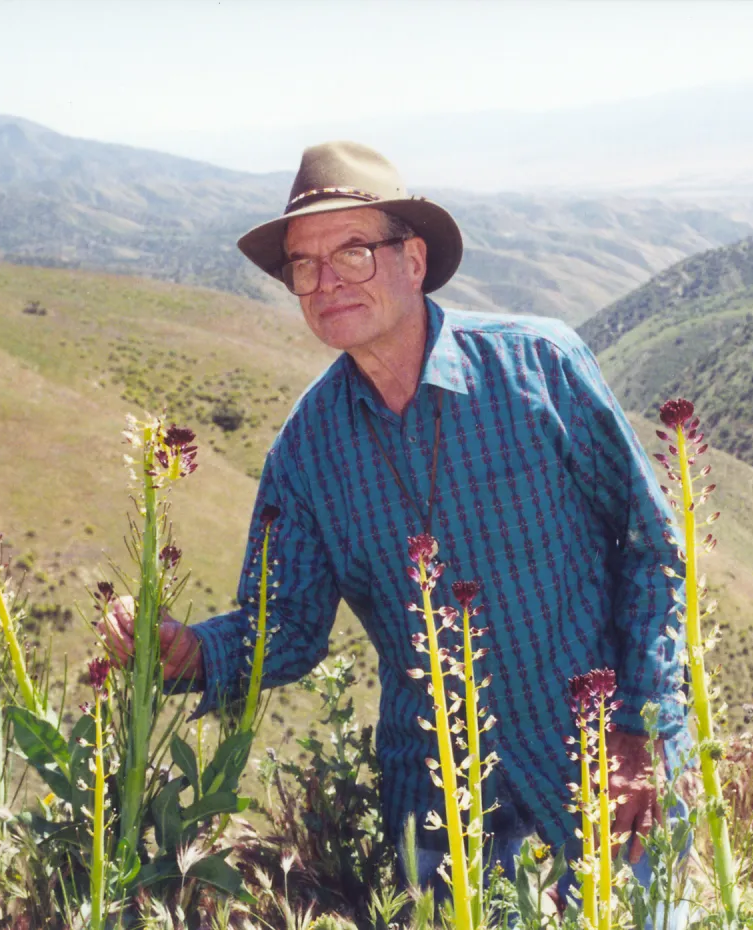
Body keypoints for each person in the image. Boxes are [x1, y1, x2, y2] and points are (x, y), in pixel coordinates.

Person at [102, 140, 690, 906]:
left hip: (603, 772)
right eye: (303, 267)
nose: (325, 283)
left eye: (352, 252)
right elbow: (285, 627)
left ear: (414, 260)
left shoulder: (538, 366)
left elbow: (651, 550)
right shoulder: (307, 451)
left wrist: (643, 733)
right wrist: (189, 652)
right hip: (444, 814)